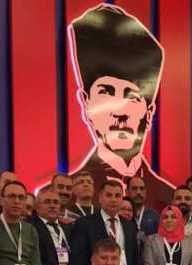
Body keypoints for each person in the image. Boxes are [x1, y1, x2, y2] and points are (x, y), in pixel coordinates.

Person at [69, 4, 173, 211]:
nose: (120, 112)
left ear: (149, 112)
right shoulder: (67, 197)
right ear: (86, 104)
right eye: (106, 93)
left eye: (132, 97)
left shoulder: (169, 197)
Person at [71, 179, 141, 265]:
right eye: (109, 195)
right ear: (100, 198)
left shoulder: (130, 226)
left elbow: (135, 263)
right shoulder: (84, 224)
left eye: (117, 196)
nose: (113, 200)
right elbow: (78, 263)